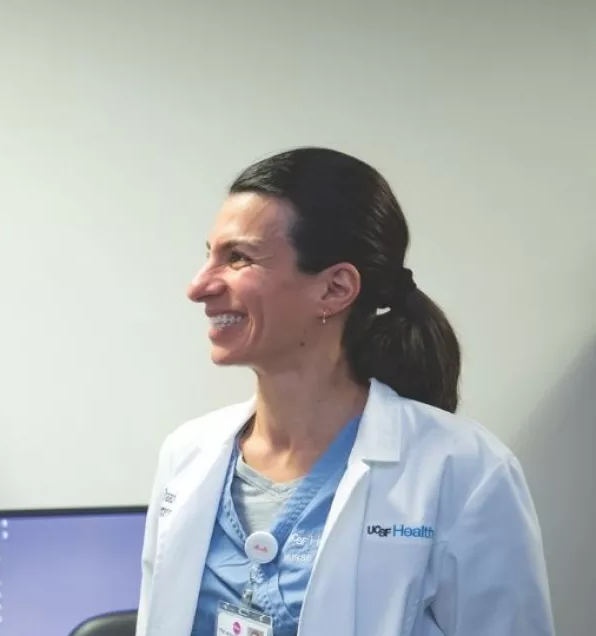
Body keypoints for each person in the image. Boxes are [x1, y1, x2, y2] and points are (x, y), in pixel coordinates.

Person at [134, 148, 554, 635]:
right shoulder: (187, 453)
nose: (198, 285)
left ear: (334, 289)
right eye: (208, 254)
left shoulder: (464, 470)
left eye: (238, 258)